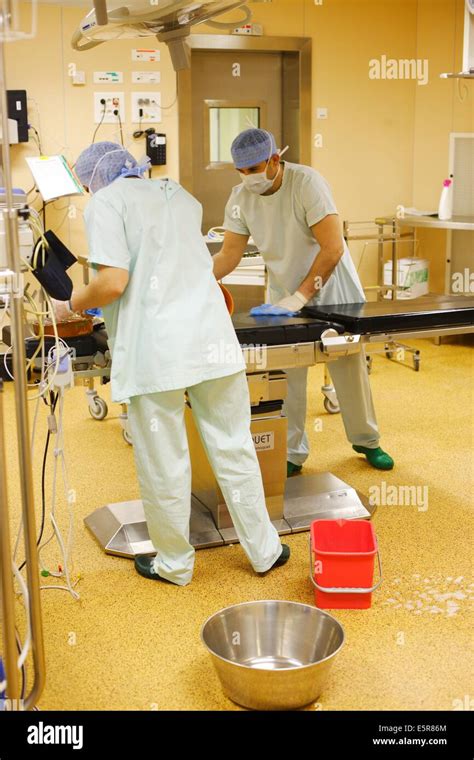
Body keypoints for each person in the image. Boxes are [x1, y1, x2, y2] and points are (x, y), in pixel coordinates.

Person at [52, 141, 288, 586]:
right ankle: (265, 550)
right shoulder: (176, 193)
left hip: (156, 351)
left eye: (86, 185)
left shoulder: (105, 203)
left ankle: (175, 565)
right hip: (212, 341)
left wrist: (71, 303)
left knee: (164, 459)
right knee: (234, 445)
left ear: (93, 179)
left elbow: (112, 281)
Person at [212, 128, 394, 476]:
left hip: (332, 289)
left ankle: (366, 440)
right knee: (286, 371)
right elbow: (229, 254)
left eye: (255, 169)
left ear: (275, 160)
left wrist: (303, 295)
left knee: (348, 369)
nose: (248, 177)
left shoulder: (307, 183)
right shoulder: (240, 197)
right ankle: (292, 451)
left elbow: (333, 248)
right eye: (242, 171)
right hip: (282, 295)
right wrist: (198, 279)